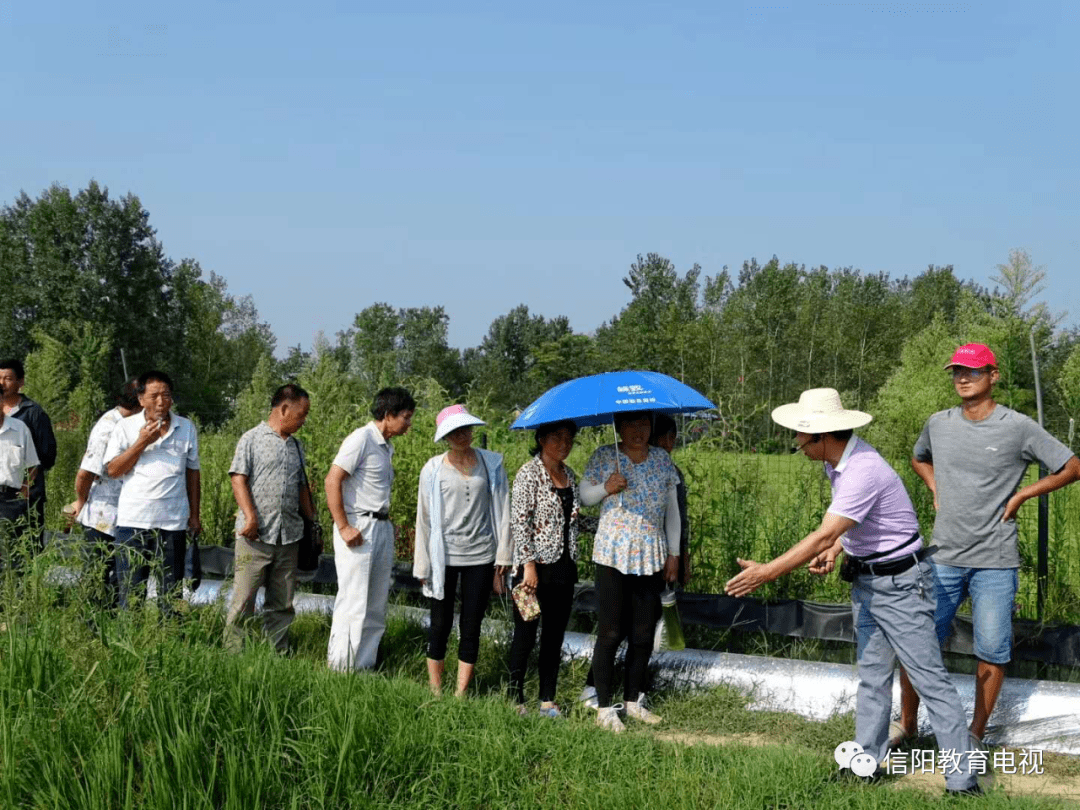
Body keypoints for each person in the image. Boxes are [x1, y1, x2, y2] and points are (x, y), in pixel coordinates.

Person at [725, 388, 979, 796]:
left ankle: (964, 783)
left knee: (929, 679)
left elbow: (826, 529)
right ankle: (867, 762)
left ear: (823, 437)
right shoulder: (838, 465)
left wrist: (767, 572)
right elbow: (856, 526)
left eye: (801, 438)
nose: (797, 445)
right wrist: (837, 549)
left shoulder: (862, 469)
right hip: (869, 581)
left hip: (901, 586)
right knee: (873, 677)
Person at [895, 343, 1080, 745]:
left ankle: (974, 734)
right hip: (943, 555)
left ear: (993, 376)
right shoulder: (938, 423)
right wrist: (933, 485)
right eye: (957, 371)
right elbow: (918, 457)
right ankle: (906, 725)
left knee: (992, 649)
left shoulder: (1019, 427)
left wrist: (1021, 496)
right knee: (919, 642)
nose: (963, 377)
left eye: (973, 371)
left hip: (995, 561)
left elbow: (1072, 467)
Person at [580, 411, 680, 732]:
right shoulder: (605, 456)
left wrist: (674, 553)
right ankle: (605, 707)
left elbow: (673, 511)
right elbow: (584, 497)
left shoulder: (662, 459)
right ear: (619, 427)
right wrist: (606, 488)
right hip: (612, 553)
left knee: (642, 632)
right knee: (609, 632)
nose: (638, 431)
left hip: (651, 553)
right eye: (631, 425)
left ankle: (634, 700)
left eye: (644, 424)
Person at [413, 405, 511, 696]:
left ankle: (460, 693)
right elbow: (424, 519)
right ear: (445, 436)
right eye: (454, 431)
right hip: (443, 556)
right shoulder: (432, 469)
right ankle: (435, 691)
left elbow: (504, 512)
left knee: (472, 624)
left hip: (481, 555)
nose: (462, 435)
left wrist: (503, 558)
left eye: (465, 429)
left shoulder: (491, 465)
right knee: (439, 623)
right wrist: (423, 565)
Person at [326, 386, 415, 672]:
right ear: (388, 415)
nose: (409, 423)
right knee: (354, 600)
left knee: (375, 602)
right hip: (358, 525)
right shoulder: (361, 439)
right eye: (406, 417)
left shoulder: (386, 446)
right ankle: (341, 668)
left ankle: (363, 667)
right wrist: (343, 526)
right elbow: (332, 480)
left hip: (381, 525)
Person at [224, 383, 317, 653]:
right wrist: (250, 517)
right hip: (255, 536)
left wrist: (313, 524)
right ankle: (233, 654)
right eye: (302, 413)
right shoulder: (251, 439)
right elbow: (238, 479)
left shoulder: (297, 447)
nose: (304, 420)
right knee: (243, 601)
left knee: (283, 602)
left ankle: (278, 653)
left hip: (289, 536)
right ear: (284, 408)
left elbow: (302, 486)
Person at [105, 370, 201, 608]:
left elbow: (193, 473)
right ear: (141, 399)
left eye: (166, 395)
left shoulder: (186, 427)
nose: (161, 401)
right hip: (134, 522)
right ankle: (130, 640)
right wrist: (141, 442)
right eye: (154, 395)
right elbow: (113, 470)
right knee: (131, 590)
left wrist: (195, 515)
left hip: (173, 522)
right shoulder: (126, 427)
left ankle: (168, 640)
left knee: (171, 592)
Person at [505, 420, 581, 715]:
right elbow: (520, 523)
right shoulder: (528, 473)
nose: (564, 444)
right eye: (556, 437)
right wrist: (528, 566)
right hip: (531, 574)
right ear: (541, 438)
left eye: (569, 438)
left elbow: (570, 520)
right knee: (525, 635)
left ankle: (547, 699)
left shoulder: (569, 475)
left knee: (554, 636)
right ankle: (515, 698)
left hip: (564, 568)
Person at [68, 379, 142, 605]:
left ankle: (114, 622)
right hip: (104, 513)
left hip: (130, 512)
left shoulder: (136, 423)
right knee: (97, 571)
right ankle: (91, 624)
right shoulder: (108, 426)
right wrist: (80, 501)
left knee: (124, 573)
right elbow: (85, 473)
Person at [0, 359, 57, 547]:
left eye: (7, 378)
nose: (2, 383)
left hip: (25, 496)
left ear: (20, 382)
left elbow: (45, 456)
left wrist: (25, 489)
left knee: (26, 550)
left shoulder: (32, 413)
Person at [651, 414, 690, 586]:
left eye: (671, 438)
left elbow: (680, 518)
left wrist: (681, 557)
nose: (667, 444)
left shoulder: (674, 474)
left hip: (670, 553)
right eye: (662, 438)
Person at [0, 405, 39, 563]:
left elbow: (33, 464)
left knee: (10, 553)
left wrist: (25, 488)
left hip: (10, 499)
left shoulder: (19, 428)